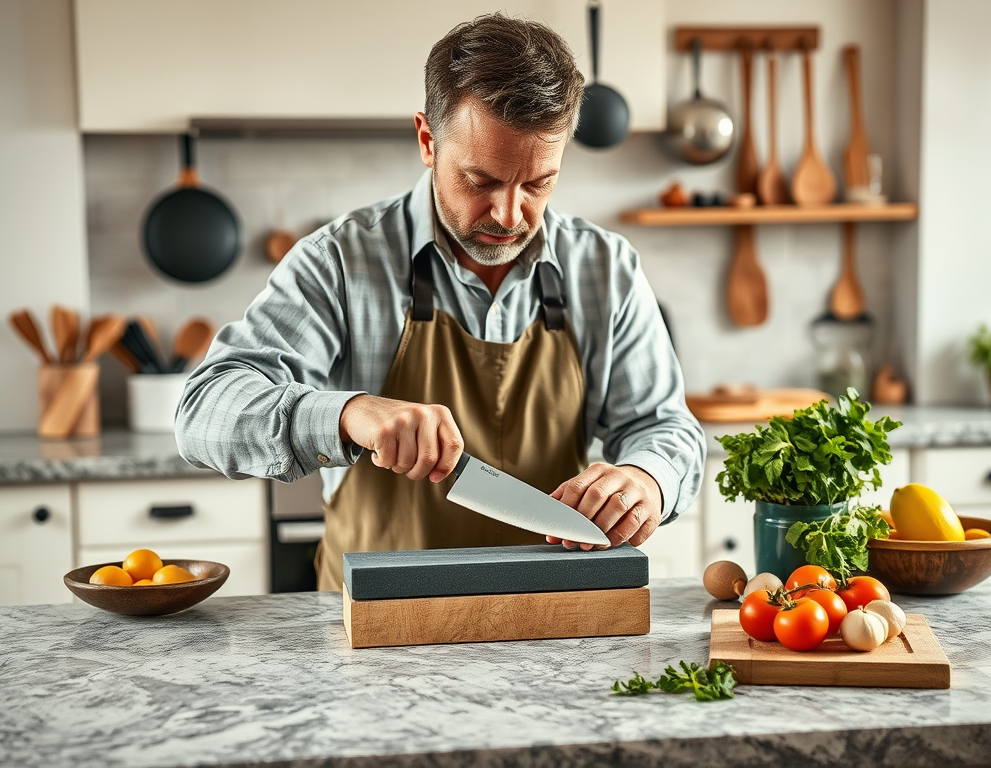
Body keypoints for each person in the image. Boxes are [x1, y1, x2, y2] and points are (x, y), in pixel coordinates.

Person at [175, 13, 706, 590]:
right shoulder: (340, 261)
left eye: (537, 184)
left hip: (552, 621)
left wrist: (644, 478)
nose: (509, 216)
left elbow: (664, 426)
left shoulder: (604, 268)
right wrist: (351, 414)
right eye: (480, 181)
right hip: (373, 630)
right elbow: (204, 411)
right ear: (428, 141)